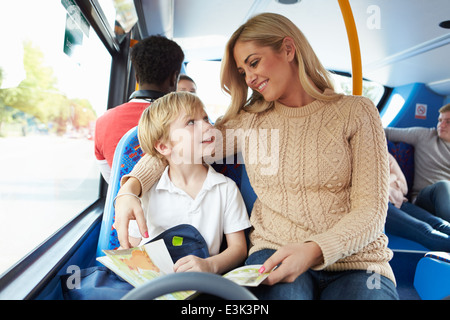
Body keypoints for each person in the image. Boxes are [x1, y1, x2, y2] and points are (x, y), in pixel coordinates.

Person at [114, 13, 398, 300]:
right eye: (242, 72)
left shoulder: (357, 112)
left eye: (253, 62)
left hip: (355, 262)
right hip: (274, 250)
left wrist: (313, 249)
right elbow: (174, 149)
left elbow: (371, 212)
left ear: (288, 49)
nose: (249, 79)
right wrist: (128, 190)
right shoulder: (250, 120)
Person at [126, 91, 251, 274]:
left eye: (206, 118)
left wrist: (210, 265)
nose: (208, 126)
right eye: (191, 122)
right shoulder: (146, 193)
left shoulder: (225, 188)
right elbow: (131, 245)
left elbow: (239, 249)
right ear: (163, 146)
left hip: (201, 280)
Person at [94, 35, 184, 183]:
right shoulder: (187, 121)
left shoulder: (103, 122)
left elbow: (114, 183)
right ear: (174, 78)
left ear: (136, 77)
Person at [385, 103, 450, 222]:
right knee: (443, 186)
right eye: (440, 120)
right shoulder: (425, 135)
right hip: (425, 198)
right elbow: (386, 132)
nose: (441, 125)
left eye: (448, 121)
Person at [385, 153, 450, 251]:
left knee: (440, 224)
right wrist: (392, 178)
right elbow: (373, 190)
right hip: (381, 206)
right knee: (425, 230)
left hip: (401, 203)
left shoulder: (386, 156)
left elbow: (404, 187)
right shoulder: (357, 159)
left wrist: (386, 184)